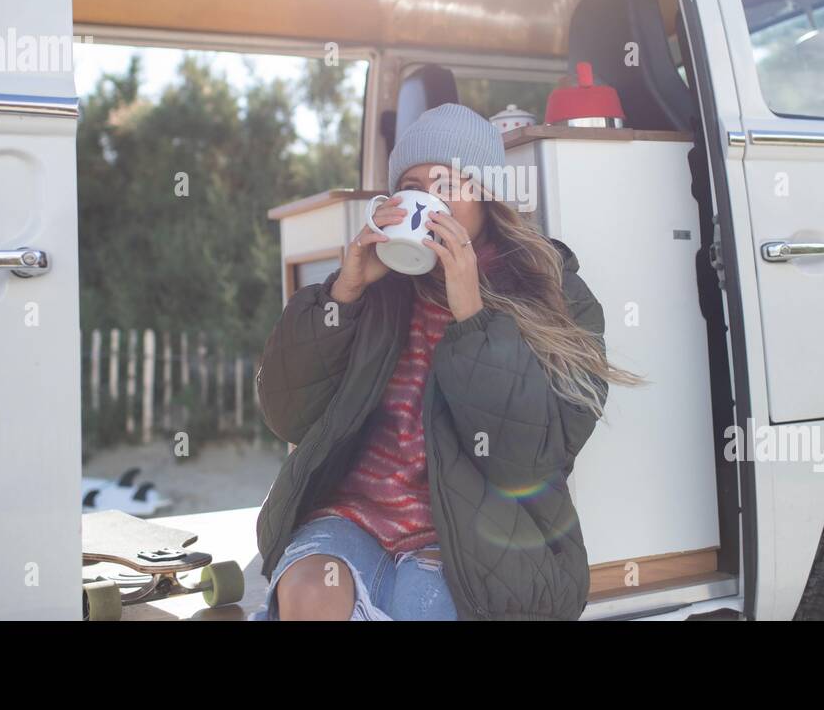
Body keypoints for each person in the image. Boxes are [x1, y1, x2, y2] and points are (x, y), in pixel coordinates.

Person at [250, 102, 644, 620]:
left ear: (484, 195)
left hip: (468, 528)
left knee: (422, 603)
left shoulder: (553, 292)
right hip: (352, 512)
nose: (429, 198)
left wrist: (472, 315)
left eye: (447, 183)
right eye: (413, 185)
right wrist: (342, 294)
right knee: (308, 593)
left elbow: (528, 461)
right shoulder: (377, 287)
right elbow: (286, 413)